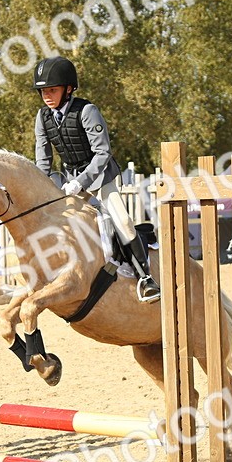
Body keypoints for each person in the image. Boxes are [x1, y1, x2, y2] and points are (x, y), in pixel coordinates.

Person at [32, 55, 159, 302]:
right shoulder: (43, 117)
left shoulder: (87, 111)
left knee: (122, 222)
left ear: (69, 89)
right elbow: (43, 160)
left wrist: (81, 182)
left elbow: (103, 153)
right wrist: (41, 189)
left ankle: (145, 278)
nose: (47, 95)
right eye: (43, 91)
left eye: (52, 90)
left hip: (101, 177)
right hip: (70, 179)